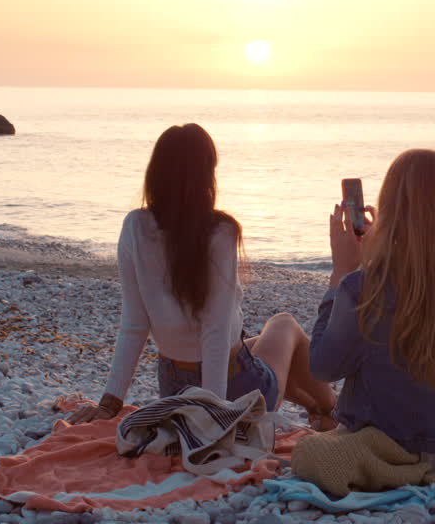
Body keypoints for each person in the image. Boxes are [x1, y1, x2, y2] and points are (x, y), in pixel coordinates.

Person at [68, 123, 336, 425]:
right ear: (207, 177)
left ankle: (317, 409)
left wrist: (110, 403)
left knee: (256, 344)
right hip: (235, 391)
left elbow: (134, 323)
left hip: (173, 390)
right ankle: (333, 409)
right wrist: (214, 415)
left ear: (155, 174)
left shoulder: (134, 227)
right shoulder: (219, 231)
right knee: (285, 324)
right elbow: (216, 331)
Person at [310, 148, 435, 479]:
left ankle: (403, 468)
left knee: (310, 454)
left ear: (390, 207)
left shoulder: (362, 286)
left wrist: (341, 274)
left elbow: (323, 368)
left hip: (386, 451)